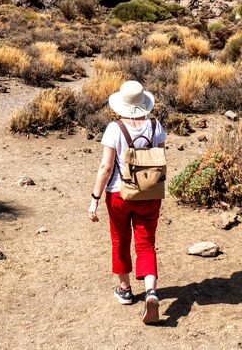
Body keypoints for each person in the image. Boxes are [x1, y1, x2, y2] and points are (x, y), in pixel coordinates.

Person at [87, 80, 166, 325]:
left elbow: (106, 167)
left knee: (120, 240)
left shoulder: (114, 128)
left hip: (119, 194)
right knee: (146, 243)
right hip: (149, 194)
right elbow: (160, 159)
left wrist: (94, 198)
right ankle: (151, 292)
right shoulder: (156, 126)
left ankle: (125, 290)